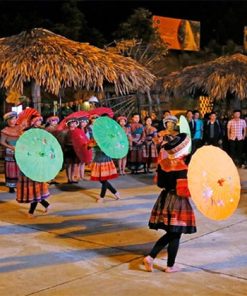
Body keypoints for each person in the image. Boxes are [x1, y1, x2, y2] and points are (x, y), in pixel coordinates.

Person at [143, 133, 197, 273]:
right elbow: (182, 190)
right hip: (178, 202)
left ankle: (162, 262)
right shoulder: (182, 167)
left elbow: (159, 183)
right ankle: (160, 261)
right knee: (175, 233)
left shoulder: (163, 164)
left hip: (165, 198)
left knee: (172, 233)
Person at [16, 116, 51, 218]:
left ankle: (31, 211)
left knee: (35, 186)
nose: (39, 122)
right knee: (31, 187)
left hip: (37, 163)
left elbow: (45, 146)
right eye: (37, 120)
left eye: (40, 120)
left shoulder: (42, 132)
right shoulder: (25, 132)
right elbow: (21, 146)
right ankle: (45, 204)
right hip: (26, 163)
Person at [89, 115, 120, 203]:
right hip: (97, 157)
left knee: (103, 179)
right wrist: (90, 145)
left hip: (104, 157)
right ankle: (115, 192)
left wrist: (99, 145)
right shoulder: (94, 132)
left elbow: (109, 143)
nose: (94, 122)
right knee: (101, 179)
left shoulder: (105, 132)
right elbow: (91, 143)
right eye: (93, 120)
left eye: (96, 120)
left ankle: (102, 196)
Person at [0, 111, 22, 193]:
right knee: (11, 169)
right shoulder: (5, 130)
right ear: (8, 121)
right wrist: (11, 147)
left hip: (19, 150)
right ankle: (11, 186)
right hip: (10, 152)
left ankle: (19, 184)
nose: (13, 120)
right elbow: (2, 142)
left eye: (15, 118)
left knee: (19, 168)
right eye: (11, 119)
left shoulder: (19, 128)